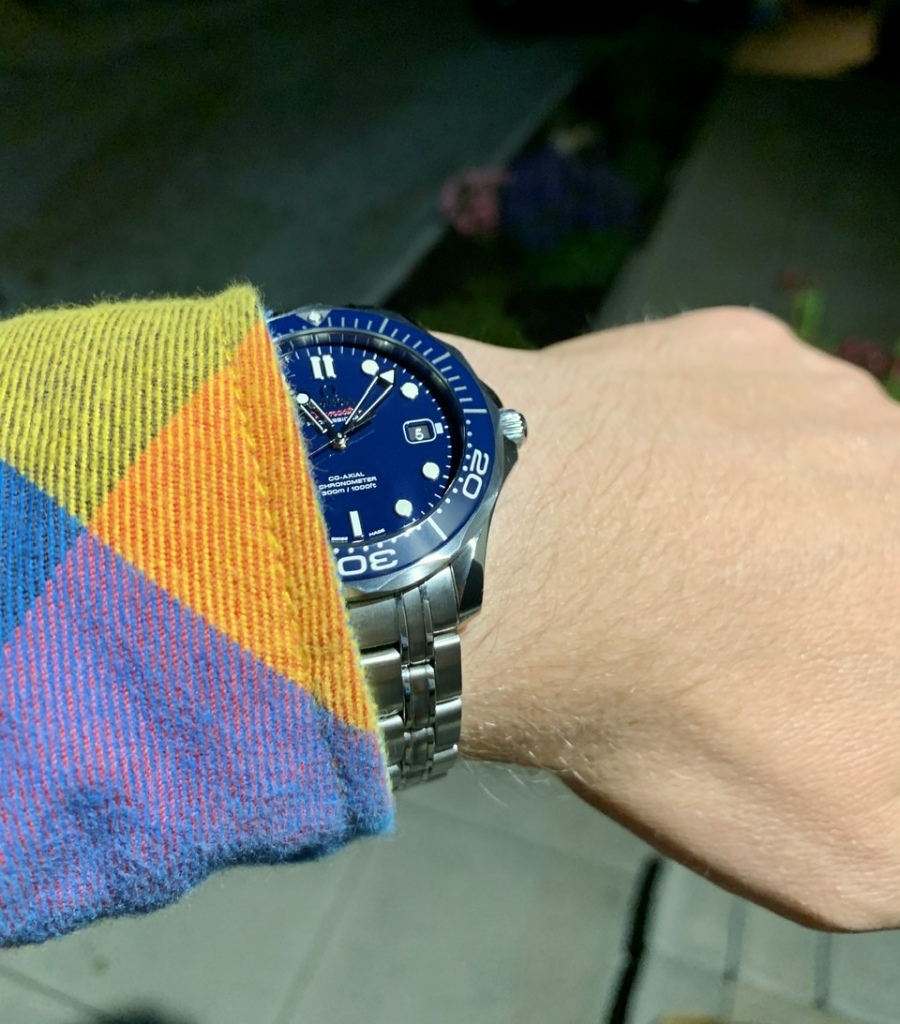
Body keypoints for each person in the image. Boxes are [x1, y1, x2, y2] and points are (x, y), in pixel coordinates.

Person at [3, 288, 900, 946]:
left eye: (346, 430)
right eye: (328, 432)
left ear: (505, 438)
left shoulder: (465, 439)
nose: (339, 439)